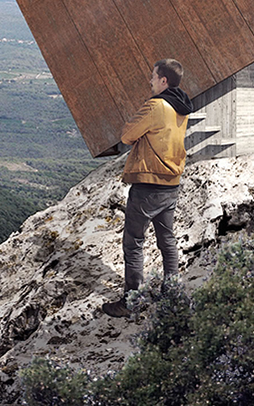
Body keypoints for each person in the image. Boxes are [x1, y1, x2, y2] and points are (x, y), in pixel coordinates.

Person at [102, 58, 193, 318]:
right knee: (167, 239)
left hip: (148, 183)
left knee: (133, 243)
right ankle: (172, 289)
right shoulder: (182, 107)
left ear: (163, 80)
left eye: (153, 76)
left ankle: (131, 300)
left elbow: (127, 135)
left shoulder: (156, 106)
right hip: (171, 183)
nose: (150, 80)